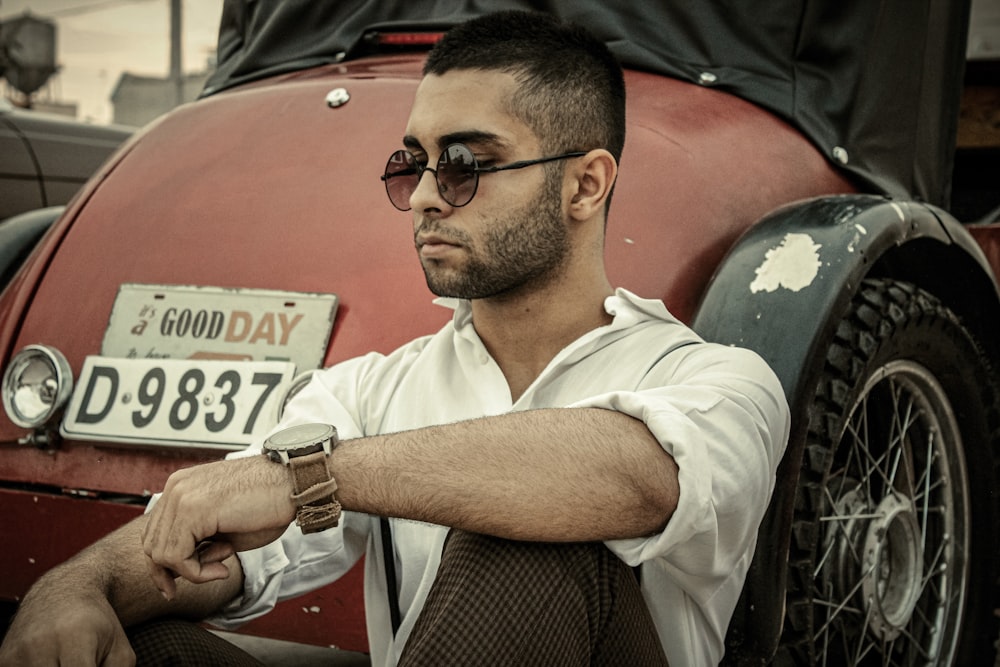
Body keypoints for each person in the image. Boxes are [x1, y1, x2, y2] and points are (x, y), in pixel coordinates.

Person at [0, 10, 788, 666]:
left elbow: (636, 478)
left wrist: (308, 475)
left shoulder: (717, 379)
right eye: (413, 164)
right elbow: (225, 540)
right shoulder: (372, 388)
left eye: (464, 163)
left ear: (585, 184)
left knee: (525, 533)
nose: (421, 199)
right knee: (132, 639)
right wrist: (74, 587)